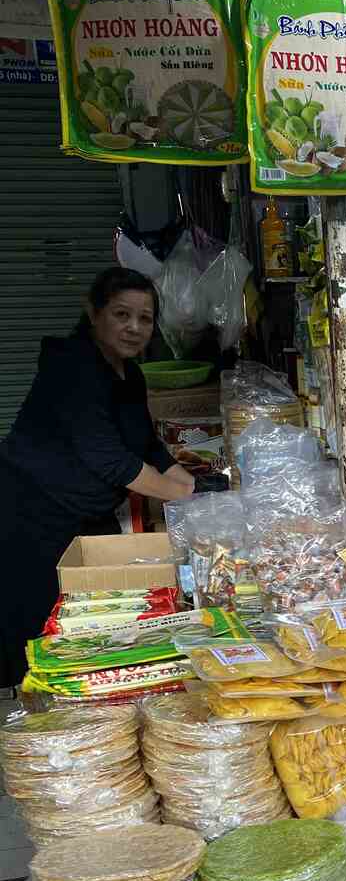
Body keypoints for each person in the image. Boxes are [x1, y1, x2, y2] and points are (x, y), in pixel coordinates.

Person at [0, 266, 196, 687]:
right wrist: (181, 498)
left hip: (84, 510)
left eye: (145, 318)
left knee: (95, 611)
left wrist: (188, 484)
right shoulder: (72, 367)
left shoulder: (131, 374)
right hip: (32, 508)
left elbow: (145, 445)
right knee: (36, 615)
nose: (134, 328)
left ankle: (85, 688)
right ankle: (35, 704)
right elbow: (111, 461)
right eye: (121, 314)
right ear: (94, 312)